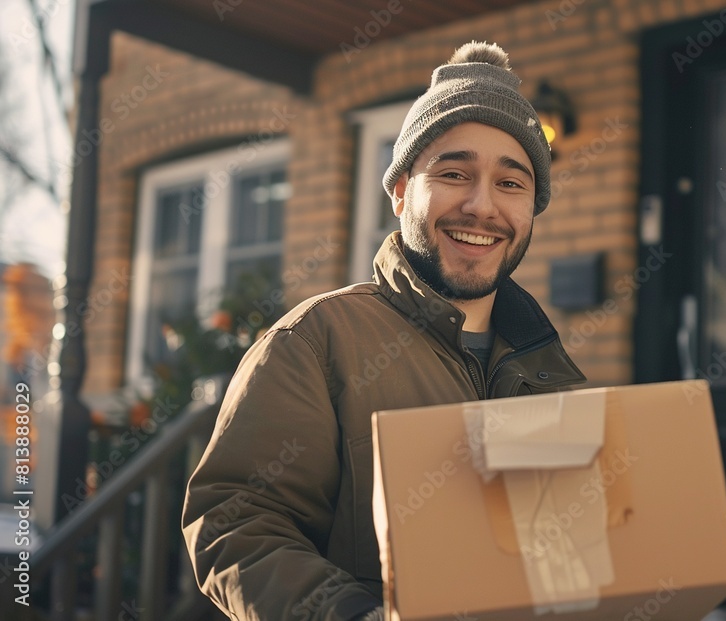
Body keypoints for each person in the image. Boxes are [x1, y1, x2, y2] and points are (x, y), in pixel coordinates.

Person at [181, 41, 586, 621]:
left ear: (531, 210)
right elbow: (236, 522)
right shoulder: (316, 341)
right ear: (399, 193)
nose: (482, 206)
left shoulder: (549, 369)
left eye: (511, 184)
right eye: (454, 173)